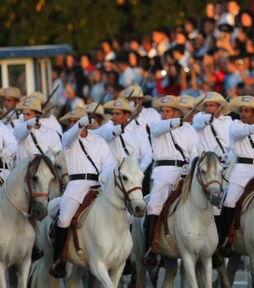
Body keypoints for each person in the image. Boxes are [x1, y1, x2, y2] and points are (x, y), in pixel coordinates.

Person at [49, 107, 116, 278]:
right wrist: (79, 123)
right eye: (70, 122)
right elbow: (70, 137)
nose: (72, 124)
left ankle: (125, 255)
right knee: (64, 219)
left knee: (121, 210)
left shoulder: (98, 141)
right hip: (77, 185)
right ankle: (60, 260)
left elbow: (109, 164)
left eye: (75, 121)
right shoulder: (68, 139)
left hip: (98, 184)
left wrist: (104, 175)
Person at [216, 95, 254, 256]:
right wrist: (250, 129)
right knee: (229, 200)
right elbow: (238, 134)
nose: (243, 113)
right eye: (242, 110)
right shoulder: (235, 125)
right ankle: (223, 239)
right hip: (242, 170)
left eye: (247, 111)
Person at [143, 95, 199, 265]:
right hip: (163, 172)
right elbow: (159, 128)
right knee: (154, 205)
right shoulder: (156, 126)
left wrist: (190, 169)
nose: (164, 114)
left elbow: (195, 152)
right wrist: (176, 122)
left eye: (168, 111)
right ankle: (151, 249)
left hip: (185, 172)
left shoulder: (189, 130)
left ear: (176, 112)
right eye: (163, 111)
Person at [97, 99, 153, 171]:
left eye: (117, 114)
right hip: (113, 172)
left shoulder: (138, 130)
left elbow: (147, 154)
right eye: (113, 114)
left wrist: (141, 170)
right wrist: (118, 129)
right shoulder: (107, 127)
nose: (114, 116)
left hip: (134, 171)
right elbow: (108, 134)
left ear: (127, 116)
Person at [191, 92, 233, 162]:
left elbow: (233, 143)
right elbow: (198, 122)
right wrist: (209, 118)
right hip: (205, 161)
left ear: (220, 107)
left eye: (211, 105)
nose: (208, 108)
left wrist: (230, 156)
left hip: (225, 161)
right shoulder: (199, 117)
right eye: (207, 105)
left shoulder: (228, 121)